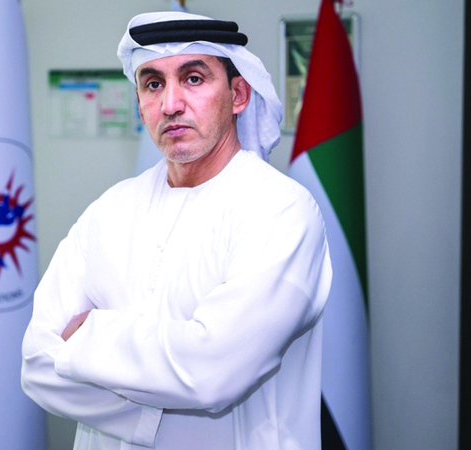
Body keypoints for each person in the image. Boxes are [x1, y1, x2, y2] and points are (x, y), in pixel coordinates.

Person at [21, 11, 332, 450]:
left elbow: (212, 372)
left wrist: (90, 334)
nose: (170, 104)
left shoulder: (280, 210)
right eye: (153, 84)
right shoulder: (109, 210)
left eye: (193, 79)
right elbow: (36, 364)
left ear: (238, 94)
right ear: (139, 103)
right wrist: (163, 399)